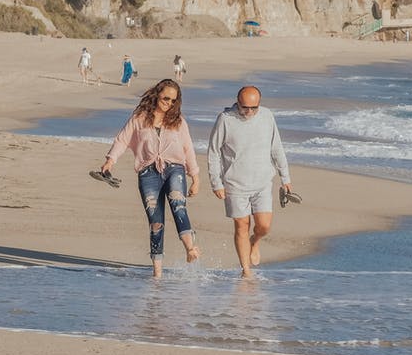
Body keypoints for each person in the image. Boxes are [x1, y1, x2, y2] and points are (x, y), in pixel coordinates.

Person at [101, 79, 201, 278]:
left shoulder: (179, 121)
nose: (169, 104)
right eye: (166, 98)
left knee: (178, 204)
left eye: (173, 101)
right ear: (157, 95)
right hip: (148, 173)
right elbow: (123, 139)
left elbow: (188, 148)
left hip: (174, 168)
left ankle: (190, 249)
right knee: (156, 222)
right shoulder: (139, 118)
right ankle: (157, 274)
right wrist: (110, 161)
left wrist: (195, 176)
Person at [207, 86, 291, 278]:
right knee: (241, 225)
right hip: (235, 184)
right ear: (237, 102)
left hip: (262, 182)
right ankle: (246, 271)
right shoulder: (225, 120)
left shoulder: (267, 116)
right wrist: (216, 183)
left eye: (254, 108)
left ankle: (255, 241)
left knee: (264, 226)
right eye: (245, 108)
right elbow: (213, 152)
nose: (249, 112)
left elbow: (276, 147)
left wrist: (285, 177)